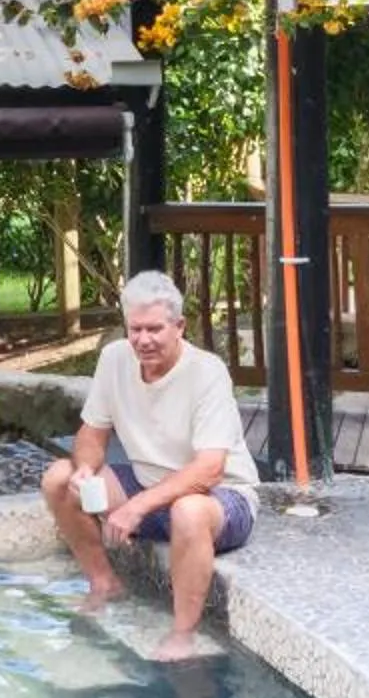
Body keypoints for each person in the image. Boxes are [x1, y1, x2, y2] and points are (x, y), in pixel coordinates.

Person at [40, 270, 261, 661]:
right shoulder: (114, 359)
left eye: (155, 329)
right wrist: (86, 470)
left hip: (220, 498)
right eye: (135, 329)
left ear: (179, 326)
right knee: (58, 479)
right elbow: (92, 434)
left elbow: (210, 469)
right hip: (147, 486)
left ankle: (183, 634)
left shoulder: (206, 371)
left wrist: (136, 506)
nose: (143, 340)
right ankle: (104, 583)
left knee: (188, 511)